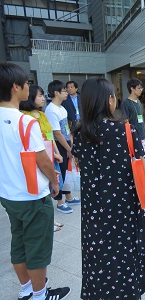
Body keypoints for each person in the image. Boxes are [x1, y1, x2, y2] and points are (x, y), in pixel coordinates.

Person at [72, 77, 145, 299]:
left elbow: (82, 165)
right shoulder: (124, 130)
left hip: (93, 209)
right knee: (125, 253)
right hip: (123, 208)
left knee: (97, 253)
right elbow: (143, 173)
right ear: (109, 100)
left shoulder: (79, 133)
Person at [0, 62, 70, 300]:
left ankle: (25, 290)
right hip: (32, 194)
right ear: (14, 87)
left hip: (8, 194)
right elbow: (43, 162)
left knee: (18, 242)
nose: (29, 87)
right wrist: (54, 182)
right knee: (37, 249)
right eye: (26, 83)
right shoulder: (25, 121)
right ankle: (40, 295)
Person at [20, 84, 65, 232]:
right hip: (39, 157)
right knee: (44, 188)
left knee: (51, 187)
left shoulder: (43, 114)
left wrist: (56, 153)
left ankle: (51, 219)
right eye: (39, 95)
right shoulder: (25, 117)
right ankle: (48, 222)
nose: (43, 98)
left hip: (49, 154)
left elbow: (51, 136)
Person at [45, 80, 80, 213]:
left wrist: (71, 144)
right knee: (61, 171)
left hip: (66, 143)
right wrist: (68, 148)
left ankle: (69, 197)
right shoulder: (51, 110)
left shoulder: (62, 108)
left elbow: (67, 128)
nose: (67, 92)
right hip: (59, 145)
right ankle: (60, 202)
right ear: (56, 93)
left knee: (67, 171)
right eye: (64, 90)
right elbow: (57, 133)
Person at [121, 78, 145, 154]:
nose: (141, 90)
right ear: (132, 89)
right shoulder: (125, 103)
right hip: (133, 136)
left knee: (143, 157)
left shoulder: (139, 102)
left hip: (142, 135)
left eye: (141, 88)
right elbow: (125, 121)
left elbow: (141, 118)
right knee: (136, 160)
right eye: (139, 88)